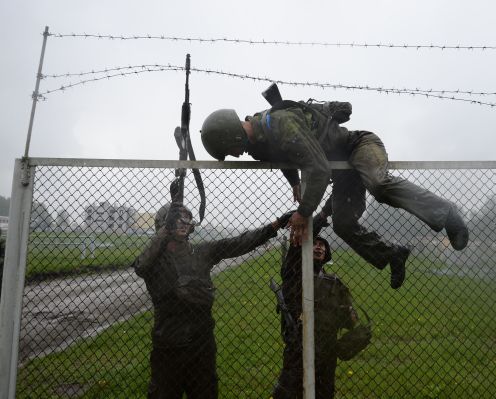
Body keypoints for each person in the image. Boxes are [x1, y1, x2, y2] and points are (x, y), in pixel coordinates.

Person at [201, 103, 469, 289]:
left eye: (231, 149)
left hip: (357, 147)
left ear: (231, 134)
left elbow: (317, 169)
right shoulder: (262, 135)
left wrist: (303, 212)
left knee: (378, 184)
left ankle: (446, 214)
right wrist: (294, 181)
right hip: (341, 169)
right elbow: (283, 156)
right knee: (343, 225)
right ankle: (392, 254)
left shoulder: (280, 124)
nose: (237, 155)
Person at [133, 202, 291, 399]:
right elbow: (141, 267)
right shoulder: (155, 260)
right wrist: (166, 230)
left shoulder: (200, 253)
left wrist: (276, 225)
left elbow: (238, 243)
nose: (183, 223)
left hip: (202, 345)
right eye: (176, 220)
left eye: (186, 219)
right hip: (168, 346)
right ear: (164, 225)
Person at [272, 230, 360, 399]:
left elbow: (350, 320)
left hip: (327, 350)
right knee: (288, 391)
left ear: (326, 253)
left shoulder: (335, 283)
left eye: (322, 245)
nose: (318, 247)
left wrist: (348, 314)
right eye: (315, 243)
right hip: (298, 346)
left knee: (324, 392)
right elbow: (292, 259)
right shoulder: (295, 275)